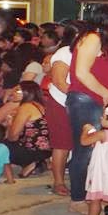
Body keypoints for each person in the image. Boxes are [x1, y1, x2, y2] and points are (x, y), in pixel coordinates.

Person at [66, 4, 108, 214]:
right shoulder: (93, 38)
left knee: (95, 150)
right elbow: (81, 73)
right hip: (87, 100)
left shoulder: (101, 40)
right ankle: (78, 199)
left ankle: (90, 195)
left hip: (95, 100)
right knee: (85, 150)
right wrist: (105, 93)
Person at [44, 20, 85, 196]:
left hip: (78, 102)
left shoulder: (85, 53)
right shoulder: (64, 53)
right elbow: (59, 81)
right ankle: (58, 182)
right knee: (62, 143)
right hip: (61, 101)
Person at [4, 81, 51, 178]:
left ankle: (32, 162)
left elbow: (13, 137)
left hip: (31, 151)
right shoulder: (40, 105)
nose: (13, 92)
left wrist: (10, 124)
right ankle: (38, 163)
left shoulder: (26, 107)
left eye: (17, 90)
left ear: (27, 92)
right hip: (45, 150)